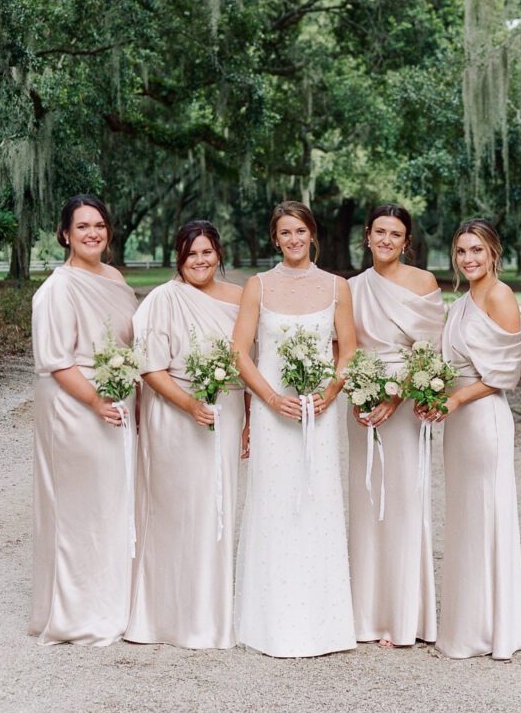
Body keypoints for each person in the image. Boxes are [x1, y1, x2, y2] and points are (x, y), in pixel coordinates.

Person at [232, 201, 357, 657]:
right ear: (275, 238)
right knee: (274, 502)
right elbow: (241, 353)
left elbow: (347, 351)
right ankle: (269, 622)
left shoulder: (338, 287)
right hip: (273, 411)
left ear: (312, 234)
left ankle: (323, 623)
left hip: (318, 414)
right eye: (285, 233)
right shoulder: (257, 286)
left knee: (317, 502)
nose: (293, 240)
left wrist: (330, 393)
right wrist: (269, 398)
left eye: (300, 231)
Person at [125, 221, 249, 649]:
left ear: (219, 254)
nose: (200, 261)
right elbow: (151, 368)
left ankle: (210, 615)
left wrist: (246, 416)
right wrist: (190, 404)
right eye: (191, 253)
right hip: (175, 414)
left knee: (217, 508)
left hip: (225, 411)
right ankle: (162, 617)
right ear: (178, 256)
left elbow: (246, 363)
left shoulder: (239, 298)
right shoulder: (162, 300)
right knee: (173, 509)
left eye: (207, 252)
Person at [30, 194, 138, 646]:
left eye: (99, 225)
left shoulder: (113, 277)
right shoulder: (57, 288)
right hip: (76, 405)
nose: (92, 233)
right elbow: (57, 361)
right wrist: (96, 401)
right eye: (82, 227)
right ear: (65, 235)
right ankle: (77, 613)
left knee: (113, 503)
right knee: (80, 509)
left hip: (116, 398)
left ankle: (112, 601)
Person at [431, 218, 521, 660]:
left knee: (489, 515)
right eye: (461, 252)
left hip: (483, 421)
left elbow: (503, 374)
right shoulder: (460, 303)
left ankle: (495, 629)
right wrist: (432, 393)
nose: (468, 258)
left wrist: (455, 402)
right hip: (458, 424)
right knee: (465, 519)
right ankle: (466, 624)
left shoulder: (500, 296)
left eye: (477, 250)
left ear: (493, 252)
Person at [348, 204, 444, 647]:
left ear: (407, 242)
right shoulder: (350, 288)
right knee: (366, 503)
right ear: (367, 236)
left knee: (405, 502)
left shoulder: (422, 282)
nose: (387, 240)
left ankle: (404, 618)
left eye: (396, 234)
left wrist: (394, 397)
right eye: (380, 231)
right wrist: (357, 393)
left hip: (404, 406)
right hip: (364, 405)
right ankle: (364, 615)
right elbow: (344, 351)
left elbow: (430, 352)